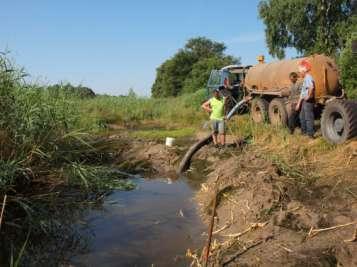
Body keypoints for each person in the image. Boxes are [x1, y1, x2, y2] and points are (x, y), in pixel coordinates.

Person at [296, 59, 315, 138]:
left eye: (300, 72)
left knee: (308, 117)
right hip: (304, 101)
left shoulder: (308, 77)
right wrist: (298, 103)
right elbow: (302, 93)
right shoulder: (305, 79)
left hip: (308, 101)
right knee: (302, 116)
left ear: (304, 70)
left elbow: (311, 87)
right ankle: (304, 132)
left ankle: (310, 135)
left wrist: (309, 96)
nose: (300, 74)